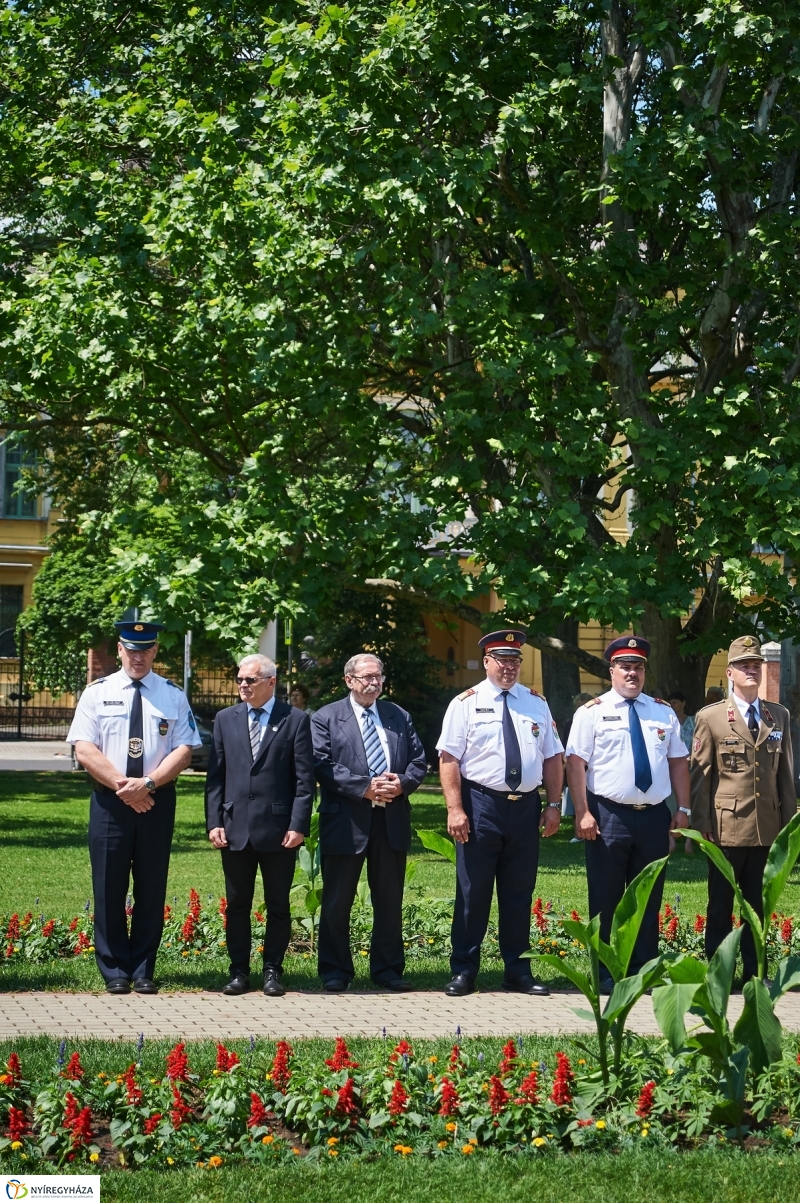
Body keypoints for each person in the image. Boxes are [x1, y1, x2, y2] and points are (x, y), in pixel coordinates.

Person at [67, 610, 201, 995]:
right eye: (131, 650)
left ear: (155, 650)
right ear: (120, 650)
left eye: (145, 650)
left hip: (156, 801)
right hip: (110, 803)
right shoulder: (98, 692)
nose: (137, 657)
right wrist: (124, 786)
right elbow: (84, 748)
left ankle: (143, 969)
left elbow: (185, 750)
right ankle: (114, 971)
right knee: (108, 885)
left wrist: (147, 783)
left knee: (151, 884)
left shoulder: (172, 695)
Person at [437, 630, 564, 997]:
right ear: (487, 661)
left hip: (525, 807)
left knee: (518, 893)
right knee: (473, 891)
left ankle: (517, 971)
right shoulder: (465, 702)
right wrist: (455, 808)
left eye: (515, 660)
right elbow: (449, 758)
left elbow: (553, 756)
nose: (509, 667)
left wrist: (553, 804)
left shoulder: (535, 703)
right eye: (502, 660)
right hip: (481, 805)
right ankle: (464, 970)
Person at [565, 636, 690, 992]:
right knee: (605, 896)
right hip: (607, 815)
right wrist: (583, 812)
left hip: (653, 816)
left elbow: (678, 761)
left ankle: (643, 969)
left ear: (644, 671)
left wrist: (682, 808)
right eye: (625, 666)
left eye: (638, 667)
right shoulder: (591, 712)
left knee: (648, 896)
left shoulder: (663, 712)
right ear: (612, 671)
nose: (632, 673)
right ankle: (605, 971)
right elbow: (576, 765)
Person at [311, 653, 427, 992]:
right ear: (349, 680)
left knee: (389, 900)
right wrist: (364, 788)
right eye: (366, 677)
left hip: (390, 820)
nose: (373, 683)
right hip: (346, 822)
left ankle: (388, 970)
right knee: (337, 900)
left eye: (378, 677)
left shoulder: (397, 715)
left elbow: (419, 761)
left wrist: (401, 783)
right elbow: (322, 764)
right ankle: (335, 971)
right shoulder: (326, 717)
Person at [205, 654, 314, 997]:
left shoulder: (294, 720)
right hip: (234, 827)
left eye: (250, 680)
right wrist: (214, 821)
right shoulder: (225, 719)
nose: (242, 686)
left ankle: (272, 971)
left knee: (278, 904)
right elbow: (216, 777)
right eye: (239, 680)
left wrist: (298, 824)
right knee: (237, 903)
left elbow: (304, 780)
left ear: (270, 682)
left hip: (279, 831)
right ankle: (238, 971)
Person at [690, 636, 796, 981]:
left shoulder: (777, 715)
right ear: (730, 673)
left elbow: (785, 774)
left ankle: (755, 972)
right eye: (744, 666)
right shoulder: (712, 717)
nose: (752, 670)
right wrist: (702, 822)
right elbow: (700, 775)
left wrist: (789, 829)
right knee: (720, 906)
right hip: (726, 828)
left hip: (768, 827)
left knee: (757, 906)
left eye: (756, 665)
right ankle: (718, 973)